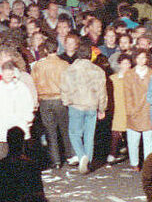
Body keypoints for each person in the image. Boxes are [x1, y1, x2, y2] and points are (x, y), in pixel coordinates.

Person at [0, 51, 38, 162]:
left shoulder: (21, 87)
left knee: (19, 152)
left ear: (13, 73)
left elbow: (28, 104)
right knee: (1, 152)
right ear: (1, 73)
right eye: (6, 73)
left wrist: (27, 119)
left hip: (18, 124)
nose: (8, 75)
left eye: (10, 73)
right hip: (1, 124)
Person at [60, 42, 107, 173]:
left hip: (76, 105)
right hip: (92, 106)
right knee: (89, 135)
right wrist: (102, 108)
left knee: (74, 134)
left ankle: (82, 156)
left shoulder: (69, 70)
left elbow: (64, 88)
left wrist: (65, 101)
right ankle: (88, 163)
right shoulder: (98, 71)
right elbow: (102, 92)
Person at [31, 41, 72, 169]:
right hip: (60, 99)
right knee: (65, 129)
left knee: (50, 131)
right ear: (57, 48)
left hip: (44, 101)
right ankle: (70, 156)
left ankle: (56, 161)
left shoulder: (38, 66)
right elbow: (69, 83)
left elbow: (34, 83)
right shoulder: (64, 64)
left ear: (45, 51)